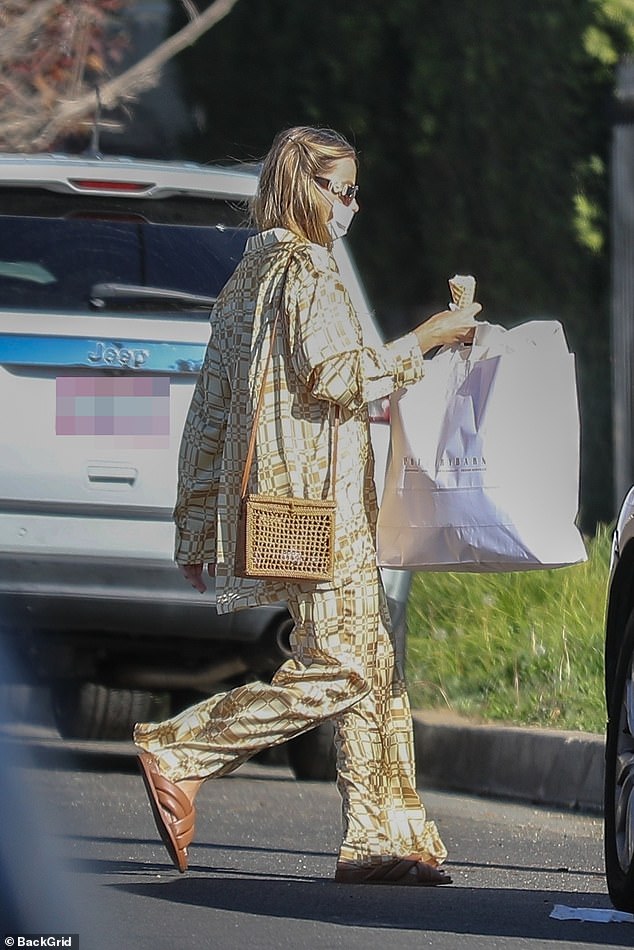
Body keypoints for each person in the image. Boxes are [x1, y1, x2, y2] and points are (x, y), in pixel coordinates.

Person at [134, 125, 480, 885]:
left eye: (356, 190)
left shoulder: (249, 277)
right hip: (323, 510)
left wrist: (197, 527)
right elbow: (340, 376)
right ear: (305, 188)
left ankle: (381, 839)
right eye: (343, 189)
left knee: (375, 665)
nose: (354, 204)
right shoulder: (310, 271)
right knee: (347, 666)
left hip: (284, 507)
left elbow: (211, 410)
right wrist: (426, 339)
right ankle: (183, 748)